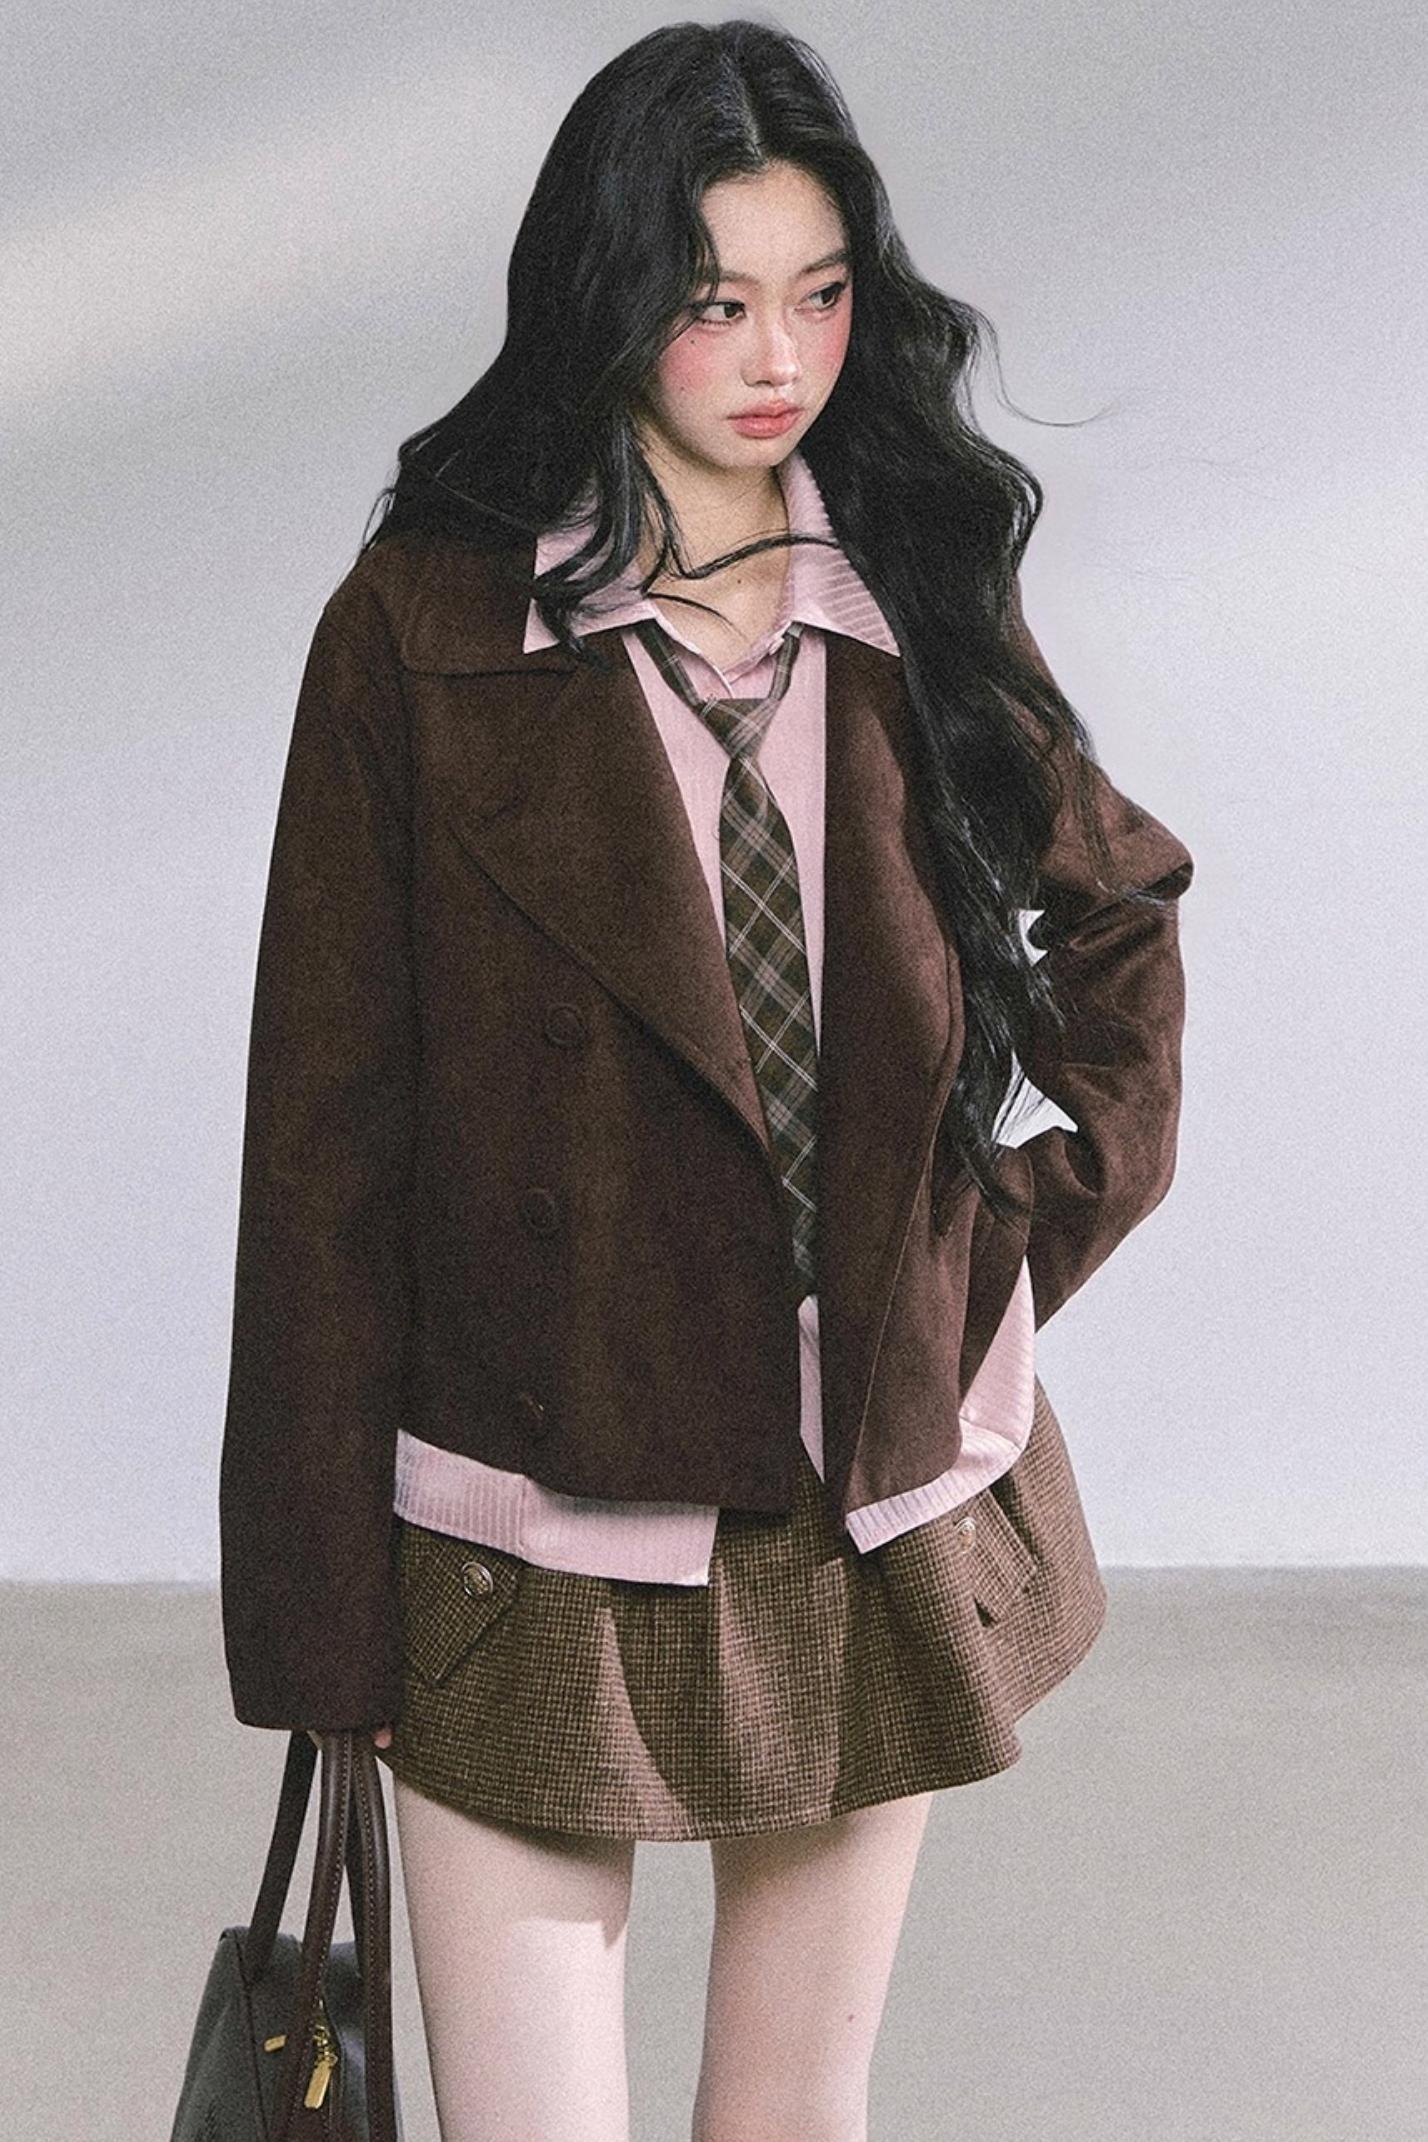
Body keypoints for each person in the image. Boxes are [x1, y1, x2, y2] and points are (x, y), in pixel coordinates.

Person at [219, 19, 1194, 2141]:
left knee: (790, 2121)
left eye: (818, 293)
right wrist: (316, 1627)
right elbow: (321, 1140)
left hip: (861, 1491)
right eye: (715, 300)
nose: (781, 358)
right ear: (607, 295)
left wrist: (1007, 1232)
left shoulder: (913, 583)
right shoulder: (420, 629)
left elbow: (1117, 906)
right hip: (526, 1509)